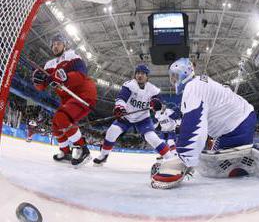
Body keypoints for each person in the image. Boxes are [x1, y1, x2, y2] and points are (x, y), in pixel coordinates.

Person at [151, 58, 259, 189]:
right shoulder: (200, 82)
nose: (173, 81)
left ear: (184, 72)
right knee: (218, 155)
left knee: (217, 166)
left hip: (235, 128)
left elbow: (194, 126)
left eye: (174, 76)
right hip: (241, 121)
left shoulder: (192, 87)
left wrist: (183, 159)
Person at [32, 33, 97, 166]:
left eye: (58, 43)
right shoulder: (49, 64)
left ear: (65, 45)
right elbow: (42, 85)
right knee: (56, 123)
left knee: (62, 118)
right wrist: (37, 82)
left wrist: (66, 78)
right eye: (53, 44)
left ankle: (84, 150)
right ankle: (66, 151)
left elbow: (81, 74)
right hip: (68, 99)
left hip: (83, 94)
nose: (55, 46)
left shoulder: (72, 55)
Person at [93, 64, 176, 165]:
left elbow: (159, 101)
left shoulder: (152, 89)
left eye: (142, 73)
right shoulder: (129, 85)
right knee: (112, 131)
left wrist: (156, 103)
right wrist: (119, 107)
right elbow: (121, 98)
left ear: (147, 76)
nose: (139, 75)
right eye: (137, 73)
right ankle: (103, 155)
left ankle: (170, 158)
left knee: (151, 137)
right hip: (126, 116)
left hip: (143, 119)